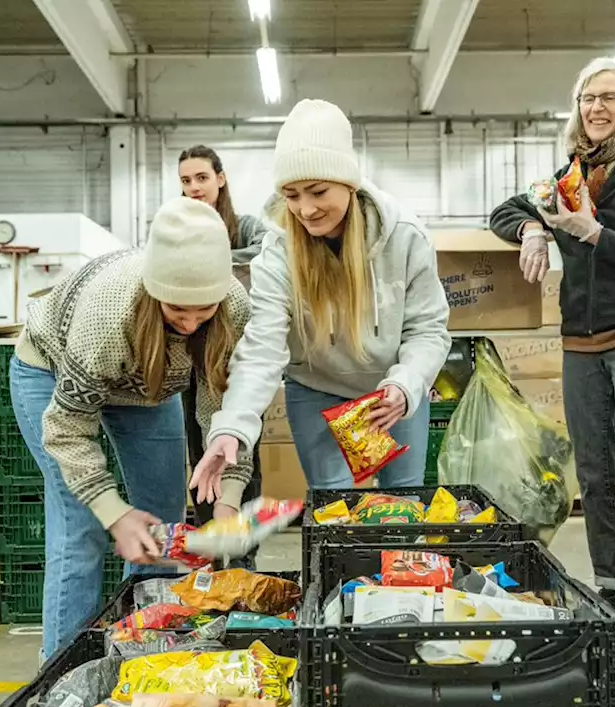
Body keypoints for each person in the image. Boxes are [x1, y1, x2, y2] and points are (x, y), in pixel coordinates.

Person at [489, 57, 615, 659]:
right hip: (579, 343)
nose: (596, 108)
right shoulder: (568, 175)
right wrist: (534, 230)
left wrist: (593, 232)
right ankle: (613, 593)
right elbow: (505, 210)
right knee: (596, 478)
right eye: (586, 99)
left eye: (609, 98)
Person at [10, 196, 255, 659]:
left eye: (203, 312)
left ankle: (149, 650)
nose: (189, 324)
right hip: (51, 371)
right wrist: (113, 512)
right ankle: (63, 671)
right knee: (81, 522)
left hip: (149, 388)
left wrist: (228, 501)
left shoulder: (234, 308)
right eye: (177, 311)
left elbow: (227, 412)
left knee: (163, 524)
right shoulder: (108, 315)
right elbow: (67, 429)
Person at [192, 98, 451, 495]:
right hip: (316, 389)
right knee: (334, 508)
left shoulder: (404, 237)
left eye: (317, 191)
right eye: (292, 195)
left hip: (390, 390)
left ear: (348, 183)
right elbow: (262, 348)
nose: (305, 209)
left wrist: (406, 385)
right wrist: (231, 428)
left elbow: (428, 329)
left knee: (404, 504)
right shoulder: (278, 251)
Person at [177, 145, 267, 527]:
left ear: (220, 178)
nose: (194, 187)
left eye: (202, 178)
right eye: (186, 180)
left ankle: (245, 544)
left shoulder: (245, 227)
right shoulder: (176, 226)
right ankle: (210, 533)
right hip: (188, 349)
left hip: (239, 347)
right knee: (201, 444)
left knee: (242, 440)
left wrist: (211, 263)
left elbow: (267, 251)